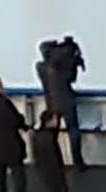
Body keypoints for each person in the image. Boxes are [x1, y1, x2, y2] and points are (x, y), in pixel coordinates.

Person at [35, 37, 85, 170]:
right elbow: (72, 78)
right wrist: (74, 62)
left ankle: (49, 160)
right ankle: (78, 162)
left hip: (51, 102)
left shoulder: (41, 67)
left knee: (51, 133)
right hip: (67, 102)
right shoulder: (61, 67)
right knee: (73, 131)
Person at [30, 111, 68, 192]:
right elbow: (53, 160)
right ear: (49, 121)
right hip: (52, 170)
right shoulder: (49, 139)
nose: (57, 121)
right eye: (55, 119)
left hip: (44, 170)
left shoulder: (39, 134)